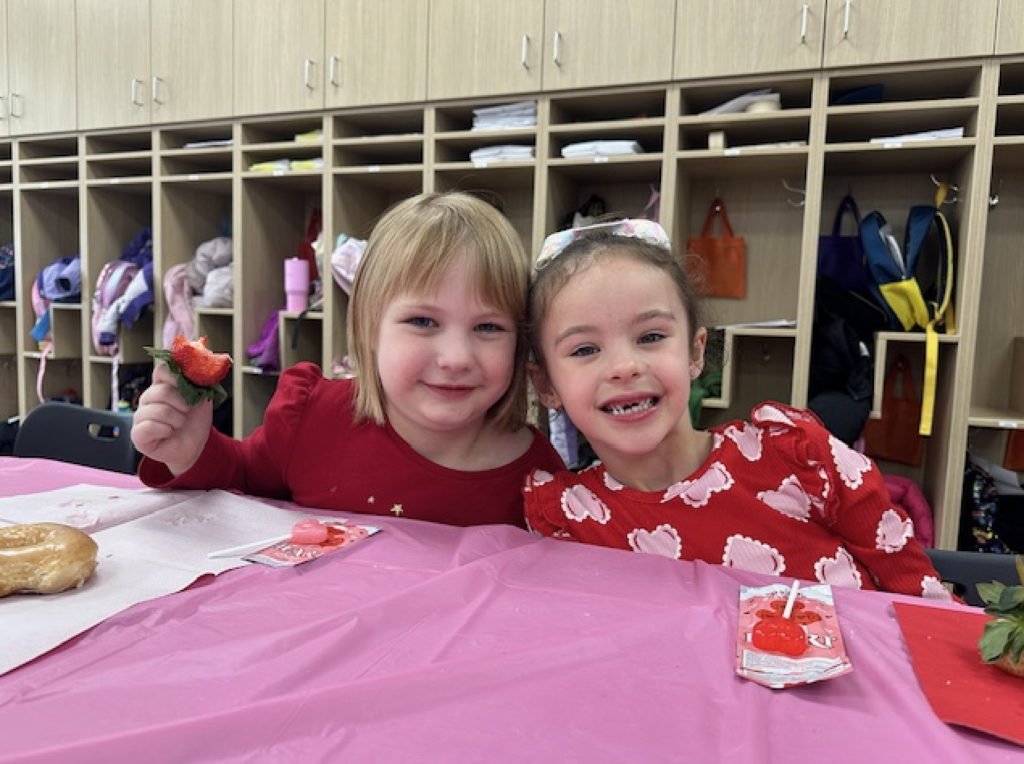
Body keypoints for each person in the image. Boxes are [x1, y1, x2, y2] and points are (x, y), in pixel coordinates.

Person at [523, 218, 953, 599]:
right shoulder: (565, 519)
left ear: (696, 352)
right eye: (584, 349)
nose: (624, 367)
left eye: (651, 337)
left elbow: (925, 601)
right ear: (545, 384)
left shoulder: (799, 457)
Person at [132, 191, 564, 528]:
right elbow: (242, 480)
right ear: (369, 326)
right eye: (422, 321)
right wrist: (191, 452)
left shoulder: (539, 476)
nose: (456, 358)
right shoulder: (311, 416)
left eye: (488, 328)